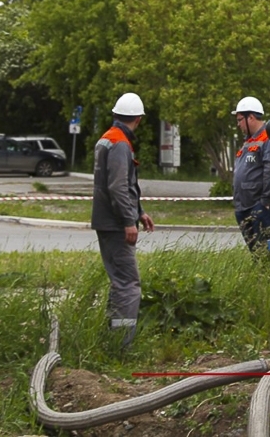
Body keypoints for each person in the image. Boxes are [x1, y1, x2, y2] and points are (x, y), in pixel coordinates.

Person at [91, 92, 154, 349]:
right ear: (138, 119)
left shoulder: (108, 139)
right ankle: (121, 345)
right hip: (116, 224)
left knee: (119, 282)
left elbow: (122, 185)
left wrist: (139, 211)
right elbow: (118, 187)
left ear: (116, 115)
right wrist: (129, 221)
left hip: (107, 221)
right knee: (129, 285)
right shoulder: (119, 144)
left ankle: (112, 339)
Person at [232, 96, 270, 253]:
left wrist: (266, 201)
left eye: (240, 120)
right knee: (256, 254)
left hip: (259, 207)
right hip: (244, 206)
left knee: (264, 253)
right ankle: (262, 278)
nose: (238, 124)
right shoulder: (249, 141)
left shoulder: (269, 138)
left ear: (250, 117)